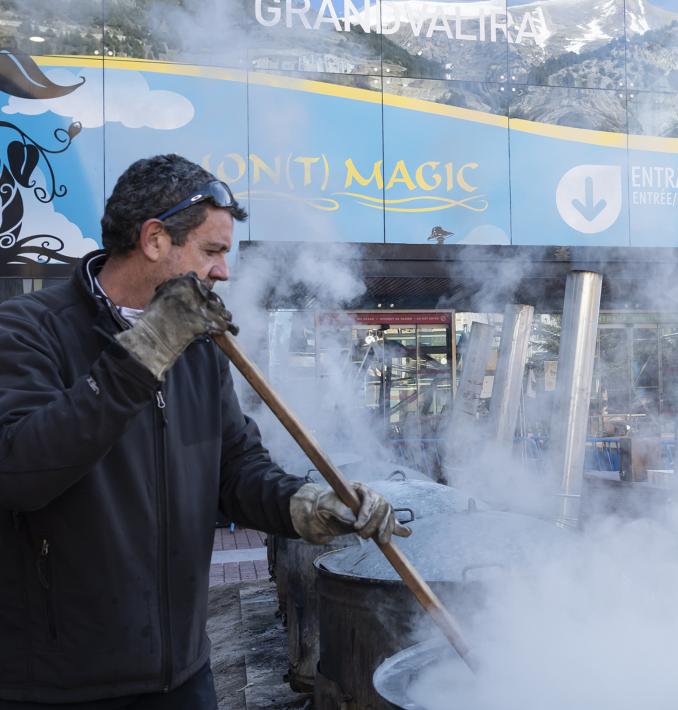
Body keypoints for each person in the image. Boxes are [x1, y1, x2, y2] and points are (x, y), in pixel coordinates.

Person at [0, 154, 401, 708]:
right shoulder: (26, 330)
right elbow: (19, 470)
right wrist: (145, 352)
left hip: (183, 674)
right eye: (212, 251)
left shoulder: (196, 348)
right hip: (58, 686)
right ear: (156, 239)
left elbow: (236, 471)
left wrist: (306, 505)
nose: (223, 271)